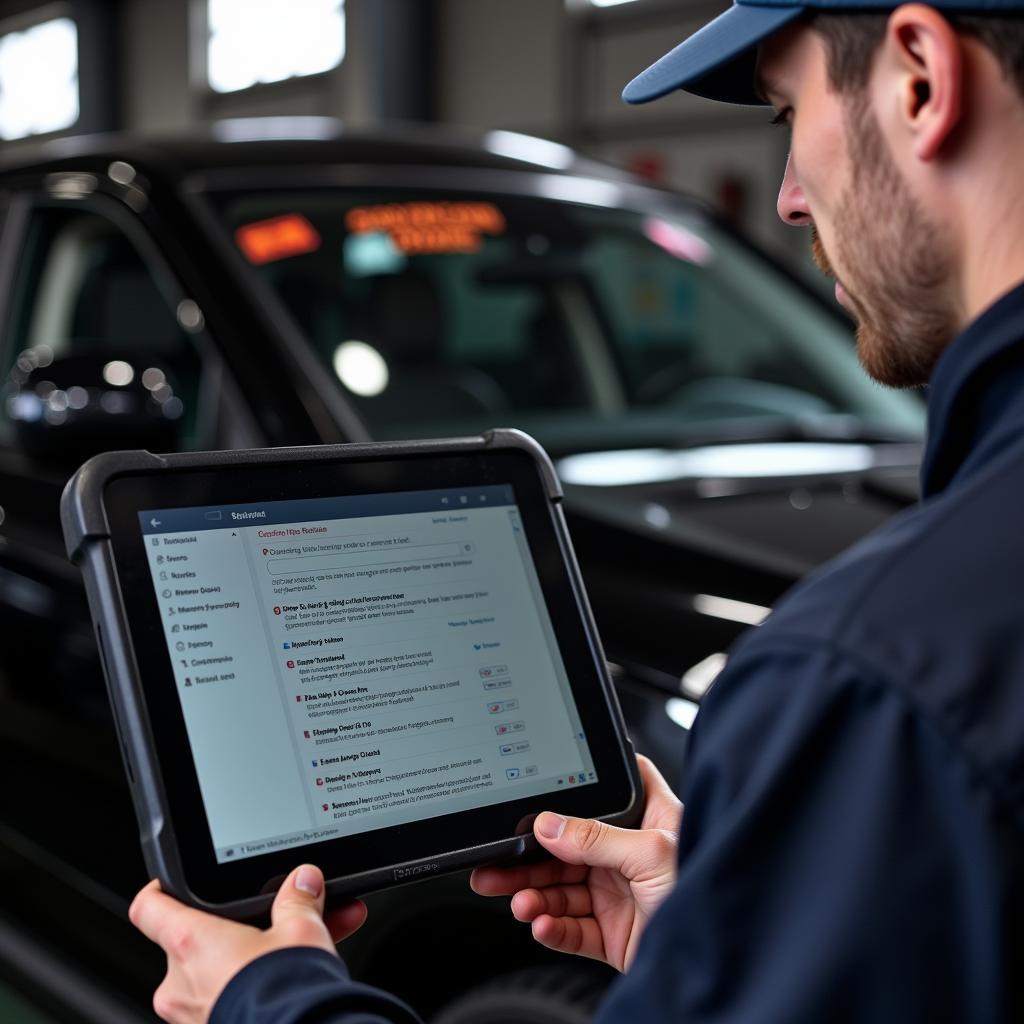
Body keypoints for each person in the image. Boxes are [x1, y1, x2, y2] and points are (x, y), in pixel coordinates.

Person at [129, 0, 1024, 1019]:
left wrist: (270, 1001)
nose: (785, 198)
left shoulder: (864, 676)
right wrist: (733, 937)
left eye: (785, 112)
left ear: (918, 76)